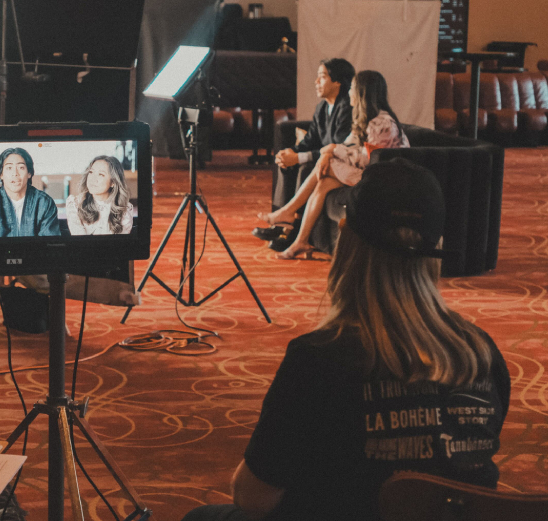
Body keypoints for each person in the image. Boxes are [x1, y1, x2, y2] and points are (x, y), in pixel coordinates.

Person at [184, 159, 510, 521]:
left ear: (345, 237)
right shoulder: (481, 353)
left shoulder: (317, 360)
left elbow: (254, 496)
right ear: (438, 248)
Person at [258, 70, 409, 260]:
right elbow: (347, 146)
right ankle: (300, 242)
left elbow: (369, 159)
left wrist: (331, 151)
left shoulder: (382, 122)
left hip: (382, 177)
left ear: (363, 93)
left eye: (353, 89)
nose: (349, 93)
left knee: (327, 163)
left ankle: (288, 212)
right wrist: (330, 151)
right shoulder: (366, 118)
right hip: (366, 172)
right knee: (322, 183)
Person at [257, 58, 355, 249]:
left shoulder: (347, 108)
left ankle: (288, 228)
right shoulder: (322, 107)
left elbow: (339, 148)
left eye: (322, 77)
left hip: (341, 162)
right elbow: (311, 140)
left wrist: (299, 157)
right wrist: (290, 153)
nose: (316, 82)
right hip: (327, 160)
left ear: (338, 82)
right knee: (288, 163)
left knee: (304, 168)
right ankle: (283, 224)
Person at [0, 147, 60, 237]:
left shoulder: (44, 202)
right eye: (9, 168)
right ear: (1, 174)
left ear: (29, 173)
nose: (15, 173)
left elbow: (49, 244)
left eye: (21, 167)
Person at [65, 155, 134, 235]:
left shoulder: (125, 209)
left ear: (113, 182)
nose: (92, 179)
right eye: (91, 172)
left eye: (101, 174)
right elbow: (80, 241)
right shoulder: (75, 204)